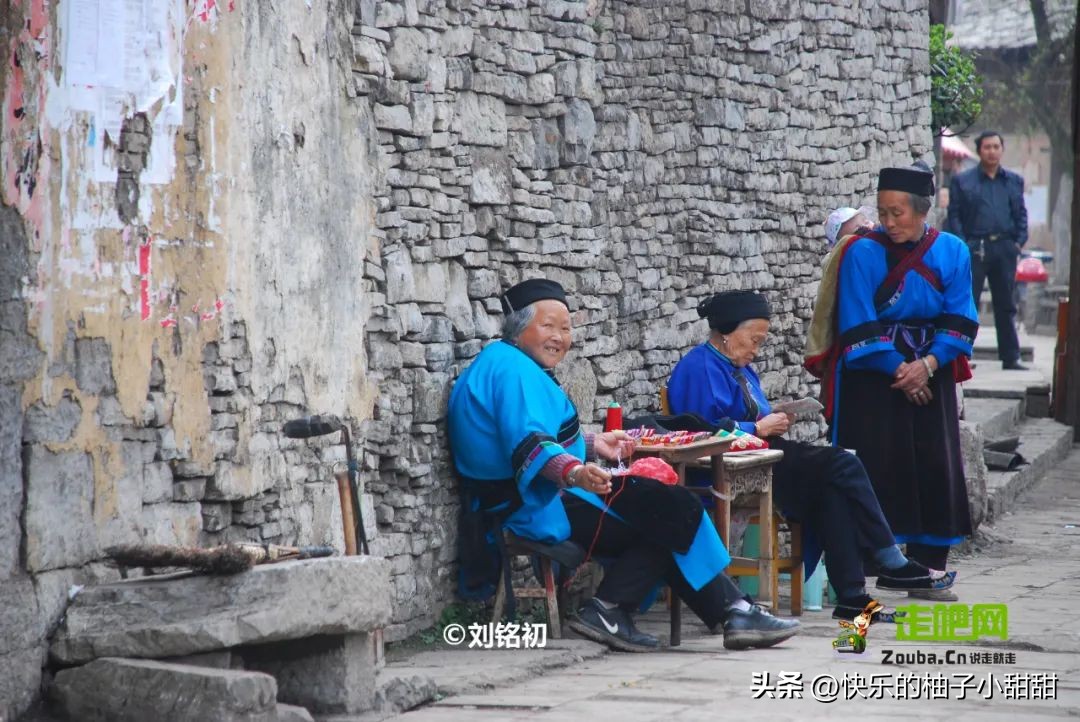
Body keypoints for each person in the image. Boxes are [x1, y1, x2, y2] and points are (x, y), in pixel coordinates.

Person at [448, 278, 800, 652]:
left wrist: (592, 443)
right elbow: (529, 442)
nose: (559, 338)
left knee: (668, 510)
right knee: (670, 512)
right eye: (548, 326)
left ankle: (730, 611)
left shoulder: (505, 362)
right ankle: (626, 608)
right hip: (532, 504)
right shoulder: (513, 371)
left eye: (565, 329)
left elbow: (522, 434)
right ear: (518, 328)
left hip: (537, 495)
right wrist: (575, 472)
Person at [667, 290, 957, 622]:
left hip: (760, 456)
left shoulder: (738, 366)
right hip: (729, 463)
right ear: (726, 333)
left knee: (833, 492)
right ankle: (890, 559)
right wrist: (757, 427)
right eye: (753, 340)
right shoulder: (699, 366)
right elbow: (699, 428)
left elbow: (747, 413)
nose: (756, 350)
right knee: (842, 463)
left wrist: (775, 417)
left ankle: (853, 598)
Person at [821, 165, 979, 601]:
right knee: (876, 467)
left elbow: (960, 316)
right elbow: (856, 318)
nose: (889, 222)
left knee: (934, 465)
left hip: (933, 370)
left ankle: (927, 566)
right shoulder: (861, 253)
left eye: (898, 213)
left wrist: (927, 365)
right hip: (874, 377)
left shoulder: (952, 251)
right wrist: (900, 370)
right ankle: (873, 564)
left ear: (922, 210)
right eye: (883, 212)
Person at [947, 130, 1029, 370]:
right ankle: (963, 356)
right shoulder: (963, 181)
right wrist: (963, 244)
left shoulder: (1014, 181)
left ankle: (1011, 357)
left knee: (1006, 303)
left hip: (1005, 247)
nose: (992, 152)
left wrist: (1018, 241)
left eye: (996, 147)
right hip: (975, 247)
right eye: (987, 147)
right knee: (968, 301)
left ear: (1001, 150)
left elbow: (1020, 213)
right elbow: (954, 215)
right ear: (979, 150)